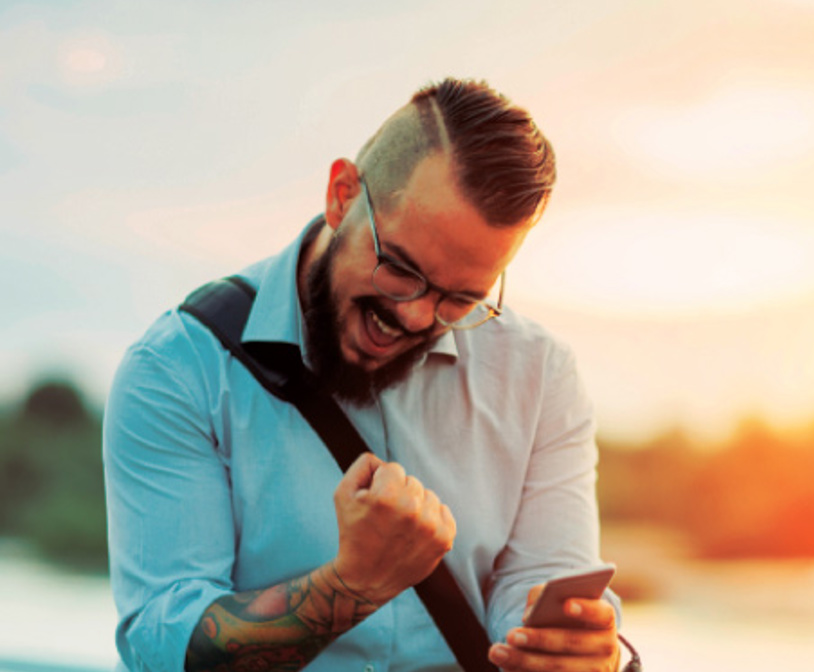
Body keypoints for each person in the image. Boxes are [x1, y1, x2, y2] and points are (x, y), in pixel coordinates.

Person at [104, 78, 624, 672]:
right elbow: (160, 646)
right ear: (342, 195)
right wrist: (352, 586)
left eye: (460, 298)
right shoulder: (177, 370)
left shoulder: (541, 375)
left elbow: (535, 583)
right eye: (399, 267)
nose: (414, 315)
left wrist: (575, 650)